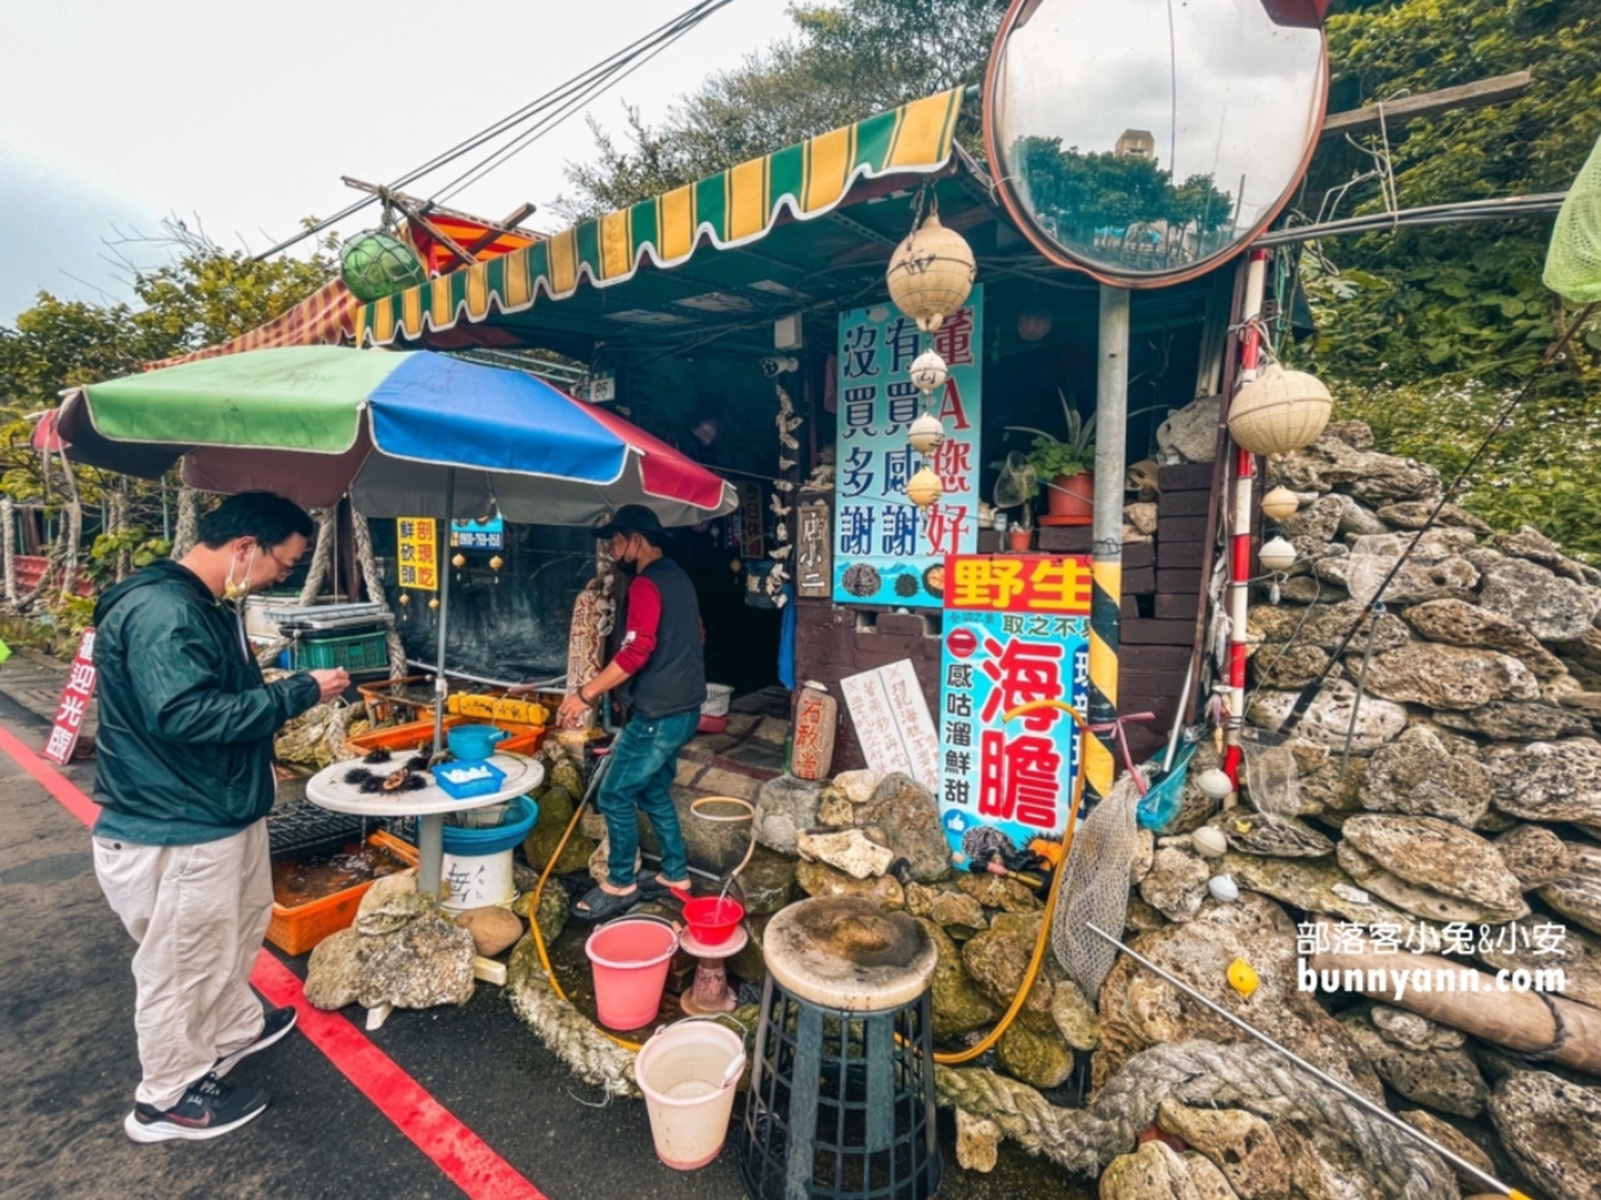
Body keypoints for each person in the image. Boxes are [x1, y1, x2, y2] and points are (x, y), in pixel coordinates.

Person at [91, 492, 349, 1142]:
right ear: (244, 549)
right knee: (182, 965)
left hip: (214, 808)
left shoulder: (204, 604)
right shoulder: (164, 609)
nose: (282, 577)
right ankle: (166, 1099)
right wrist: (299, 692)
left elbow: (212, 700)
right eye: (282, 565)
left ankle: (236, 1024)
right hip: (177, 823)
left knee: (234, 930)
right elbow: (183, 715)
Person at [560, 504, 706, 919]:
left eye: (616, 541)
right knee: (653, 790)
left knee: (615, 794)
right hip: (685, 709)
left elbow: (637, 649)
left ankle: (620, 880)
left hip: (658, 716)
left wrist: (585, 694)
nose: (612, 550)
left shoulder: (646, 584)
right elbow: (698, 634)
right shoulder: (679, 578)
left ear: (637, 540)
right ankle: (675, 875)